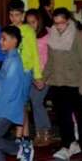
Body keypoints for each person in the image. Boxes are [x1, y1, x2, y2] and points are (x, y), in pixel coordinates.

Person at [44, 8, 82, 160]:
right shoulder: (52, 36)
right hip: (57, 82)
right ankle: (67, 144)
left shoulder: (76, 36)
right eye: (55, 23)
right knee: (63, 117)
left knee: (80, 116)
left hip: (74, 83)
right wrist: (43, 78)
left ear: (68, 21)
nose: (58, 26)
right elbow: (50, 61)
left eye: (61, 23)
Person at [0, 25, 33, 161]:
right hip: (5, 106)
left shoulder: (14, 61)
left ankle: (19, 149)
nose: (0, 41)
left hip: (7, 108)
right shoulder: (10, 58)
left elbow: (9, 91)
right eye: (0, 38)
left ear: (14, 41)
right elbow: (5, 78)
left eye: (4, 39)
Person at [7, 0, 42, 152]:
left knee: (21, 104)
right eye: (11, 15)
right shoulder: (8, 30)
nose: (14, 18)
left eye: (17, 15)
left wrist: (37, 75)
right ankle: (22, 136)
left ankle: (22, 136)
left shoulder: (28, 31)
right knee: (17, 104)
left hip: (25, 71)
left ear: (22, 15)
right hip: (11, 72)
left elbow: (35, 54)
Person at [25, 9, 53, 147]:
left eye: (33, 22)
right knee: (34, 103)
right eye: (28, 23)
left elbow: (52, 59)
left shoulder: (48, 35)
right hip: (30, 74)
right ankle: (38, 132)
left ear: (39, 22)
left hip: (44, 75)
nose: (31, 25)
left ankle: (45, 131)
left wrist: (43, 77)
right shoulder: (26, 35)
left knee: (37, 101)